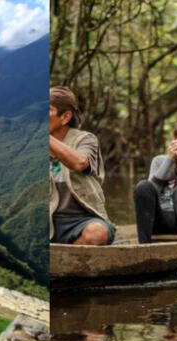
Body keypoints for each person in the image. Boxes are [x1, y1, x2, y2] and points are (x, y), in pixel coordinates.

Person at [49, 86, 115, 245]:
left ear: (65, 117)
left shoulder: (86, 139)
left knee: (97, 233)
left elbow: (80, 163)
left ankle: (67, 253)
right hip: (49, 220)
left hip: (81, 219)